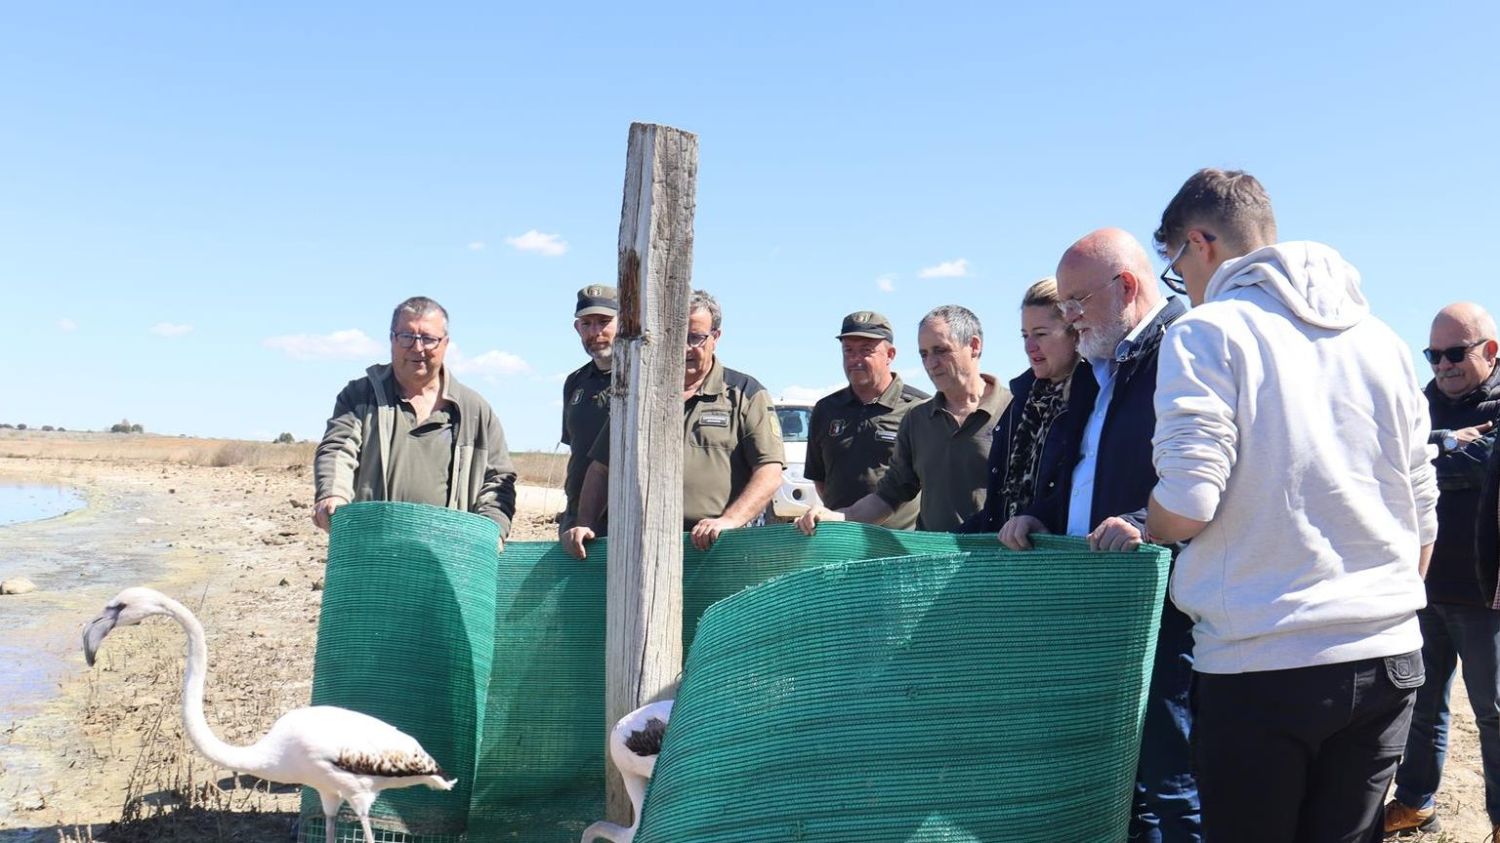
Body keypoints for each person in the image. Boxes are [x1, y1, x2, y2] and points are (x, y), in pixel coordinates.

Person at [1143, 168, 1436, 843]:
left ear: (1200, 242)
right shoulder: (1384, 342)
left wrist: (1149, 522)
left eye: (1176, 263)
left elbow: (1188, 500)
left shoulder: (1207, 332)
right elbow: (1424, 507)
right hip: (1387, 652)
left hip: (1262, 662)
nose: (1182, 281)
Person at [998, 229, 1198, 843]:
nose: (1070, 318)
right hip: (1097, 597)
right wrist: (1040, 516)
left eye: (1078, 302)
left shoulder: (1184, 351)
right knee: (1114, 769)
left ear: (1128, 287)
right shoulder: (1098, 366)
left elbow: (1206, 476)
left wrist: (1141, 523)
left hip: (1165, 602)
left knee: (1171, 773)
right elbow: (1080, 471)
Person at [1383, 303, 1500, 838]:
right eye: (1433, 355)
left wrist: (1424, 459)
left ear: (1490, 351)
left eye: (1456, 353)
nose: (1443, 365)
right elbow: (1388, 469)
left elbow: (1459, 471)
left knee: (1494, 712)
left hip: (1487, 591)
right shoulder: (1417, 407)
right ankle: (1415, 801)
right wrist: (1444, 449)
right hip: (1421, 585)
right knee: (1420, 702)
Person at [562, 289, 784, 555]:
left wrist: (730, 521)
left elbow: (770, 472)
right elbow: (601, 469)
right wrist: (585, 524)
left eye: (695, 338)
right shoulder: (642, 394)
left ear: (716, 337)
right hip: (643, 548)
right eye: (676, 337)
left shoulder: (745, 393)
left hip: (718, 547)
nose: (684, 348)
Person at [313, 295, 518, 545]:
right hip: (370, 547)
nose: (417, 348)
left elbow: (498, 480)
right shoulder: (360, 396)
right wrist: (333, 493)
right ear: (392, 339)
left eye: (429, 339)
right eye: (407, 336)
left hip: (448, 555)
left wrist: (492, 530)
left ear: (445, 344)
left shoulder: (475, 410)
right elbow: (338, 449)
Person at [798, 305, 1010, 534]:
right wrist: (840, 517)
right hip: (930, 561)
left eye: (940, 350)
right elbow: (889, 495)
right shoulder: (918, 419)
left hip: (998, 561)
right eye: (924, 354)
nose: (931, 363)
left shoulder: (1015, 411)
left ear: (974, 346)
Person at [958, 277, 1090, 533]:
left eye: (1040, 334)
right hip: (1013, 558)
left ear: (1075, 333)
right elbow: (999, 507)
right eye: (1025, 335)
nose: (1030, 347)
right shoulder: (1022, 402)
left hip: (1063, 561)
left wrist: (1038, 520)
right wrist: (947, 541)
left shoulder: (1094, 401)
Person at [803, 311, 929, 530]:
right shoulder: (826, 409)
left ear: (890, 354)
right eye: (848, 351)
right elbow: (820, 478)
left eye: (865, 351)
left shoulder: (919, 409)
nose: (855, 360)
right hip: (839, 536)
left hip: (898, 544)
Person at [559, 285, 618, 538]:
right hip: (576, 522)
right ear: (577, 328)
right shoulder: (575, 382)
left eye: (604, 322)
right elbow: (576, 449)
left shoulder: (643, 381)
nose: (596, 332)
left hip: (623, 518)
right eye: (587, 323)